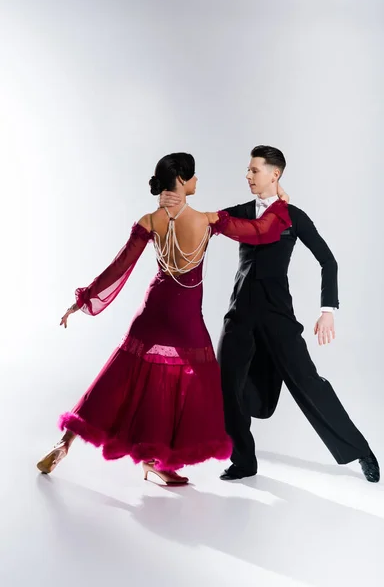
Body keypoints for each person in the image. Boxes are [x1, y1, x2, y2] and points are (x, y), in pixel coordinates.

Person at [36, 152, 291, 485]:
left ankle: (65, 443)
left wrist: (84, 301)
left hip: (153, 311)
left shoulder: (150, 221)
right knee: (185, 387)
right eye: (194, 176)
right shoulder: (205, 220)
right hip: (185, 318)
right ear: (182, 180)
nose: (198, 181)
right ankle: (157, 461)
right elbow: (260, 230)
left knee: (119, 378)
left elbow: (119, 267)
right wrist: (281, 202)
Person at [160, 145, 380, 483]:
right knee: (225, 384)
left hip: (278, 315)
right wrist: (176, 208)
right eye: (248, 170)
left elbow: (328, 261)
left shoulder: (293, 216)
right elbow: (204, 223)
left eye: (254, 170)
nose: (247, 175)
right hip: (240, 313)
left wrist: (328, 311)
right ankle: (244, 461)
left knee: (309, 383)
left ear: (274, 175)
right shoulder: (242, 211)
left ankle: (360, 450)